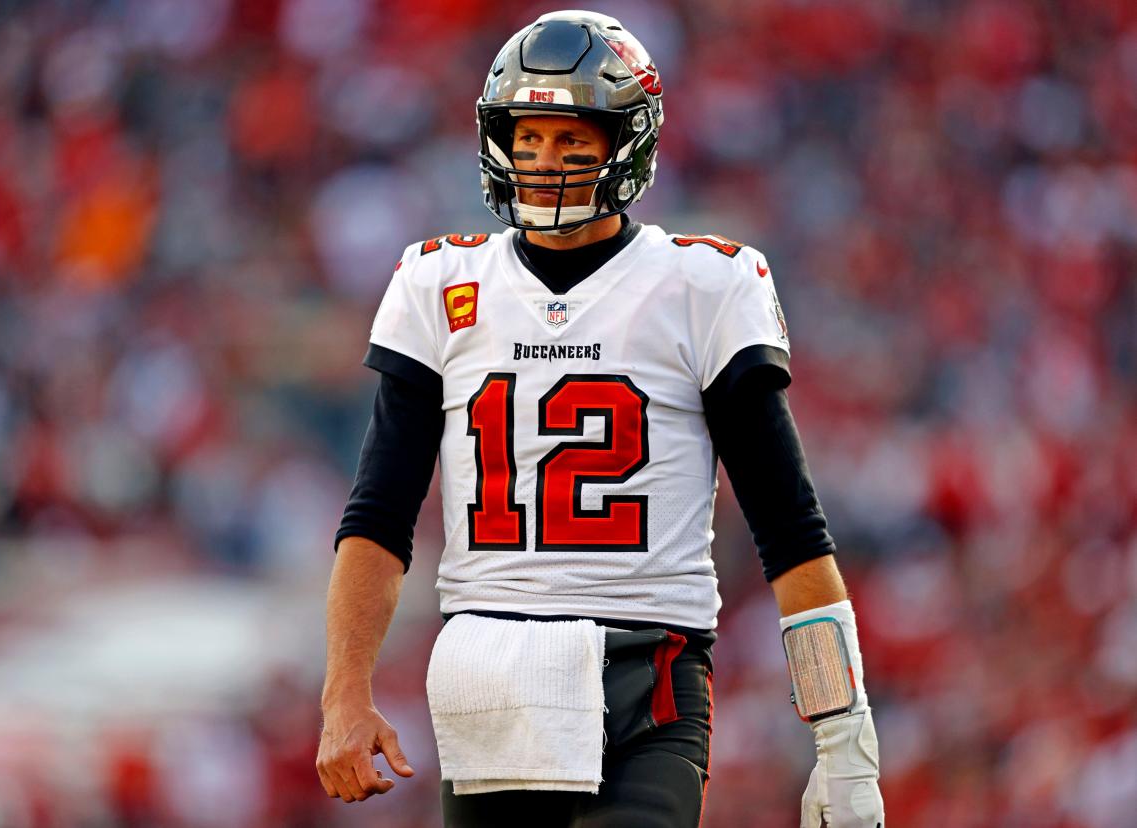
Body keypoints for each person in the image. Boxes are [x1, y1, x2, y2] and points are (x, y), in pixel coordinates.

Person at [316, 10, 884, 827]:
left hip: (646, 666)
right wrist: (344, 694)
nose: (544, 162)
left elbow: (791, 534)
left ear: (626, 145)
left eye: (572, 140)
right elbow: (376, 518)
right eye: (529, 137)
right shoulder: (438, 285)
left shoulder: (703, 286)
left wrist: (845, 740)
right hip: (490, 676)